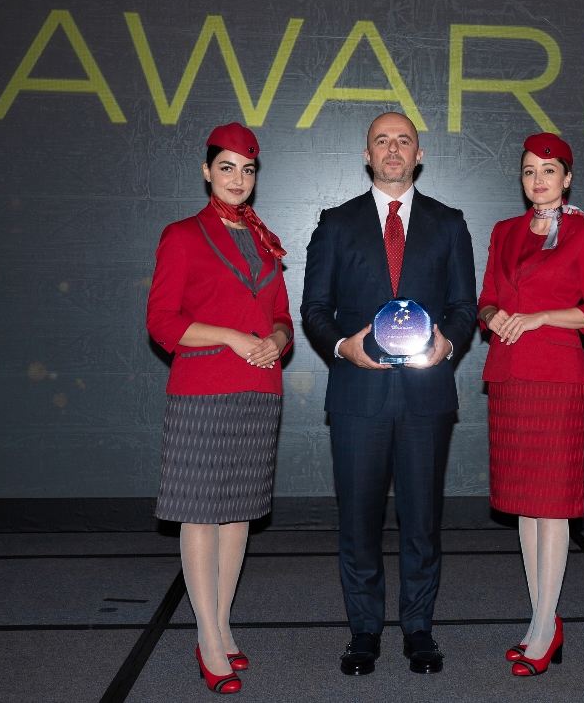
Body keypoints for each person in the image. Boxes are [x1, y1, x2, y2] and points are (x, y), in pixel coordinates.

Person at [301, 112, 477, 676]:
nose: (393, 149)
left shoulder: (449, 223)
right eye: (382, 141)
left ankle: (419, 629)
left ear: (419, 155)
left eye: (404, 141)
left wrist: (447, 344)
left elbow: (465, 306)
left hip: (426, 395)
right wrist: (342, 347)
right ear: (367, 155)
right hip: (358, 396)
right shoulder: (335, 223)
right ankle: (364, 631)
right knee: (358, 522)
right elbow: (314, 308)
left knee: (422, 522)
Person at [146, 122, 294, 695]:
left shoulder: (264, 238)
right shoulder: (183, 235)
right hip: (203, 388)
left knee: (238, 513)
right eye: (226, 167)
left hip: (259, 388)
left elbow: (281, 316)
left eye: (247, 169)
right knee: (201, 513)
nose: (237, 179)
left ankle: (223, 623)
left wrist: (276, 340)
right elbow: (162, 323)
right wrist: (230, 336)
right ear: (207, 171)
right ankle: (207, 638)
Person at [477, 132, 584, 676]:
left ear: (567, 178)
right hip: (509, 376)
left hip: (556, 378)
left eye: (549, 171)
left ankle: (541, 627)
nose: (539, 180)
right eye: (530, 171)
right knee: (525, 503)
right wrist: (495, 318)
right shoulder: (504, 231)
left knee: (551, 504)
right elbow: (486, 300)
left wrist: (538, 318)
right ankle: (543, 621)